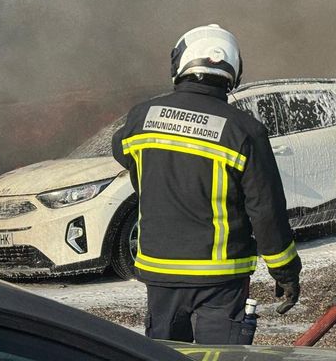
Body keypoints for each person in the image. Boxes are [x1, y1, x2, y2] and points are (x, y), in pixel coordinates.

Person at [112, 24, 302, 344]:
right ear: (233, 71)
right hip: (221, 277)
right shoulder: (245, 130)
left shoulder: (140, 118)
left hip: (161, 272)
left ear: (180, 64)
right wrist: (285, 271)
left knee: (164, 354)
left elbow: (124, 154)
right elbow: (266, 209)